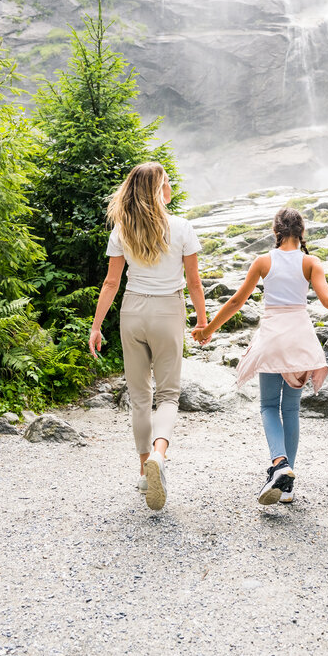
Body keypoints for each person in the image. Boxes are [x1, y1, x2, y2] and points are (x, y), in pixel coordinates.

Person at [193, 208, 328, 506]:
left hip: (272, 338)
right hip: (300, 338)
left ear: (276, 231)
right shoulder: (311, 262)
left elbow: (236, 301)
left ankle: (279, 464)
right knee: (291, 409)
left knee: (269, 406)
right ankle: (287, 486)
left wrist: (208, 330)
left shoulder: (263, 261)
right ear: (302, 232)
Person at [89, 162, 209, 512]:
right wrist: (201, 321)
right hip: (167, 311)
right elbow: (194, 282)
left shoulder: (121, 230)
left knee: (140, 396)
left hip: (132, 311)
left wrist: (96, 326)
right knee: (168, 394)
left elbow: (111, 282)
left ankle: (144, 470)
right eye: (167, 183)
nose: (170, 188)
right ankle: (159, 455)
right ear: (158, 190)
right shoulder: (182, 227)